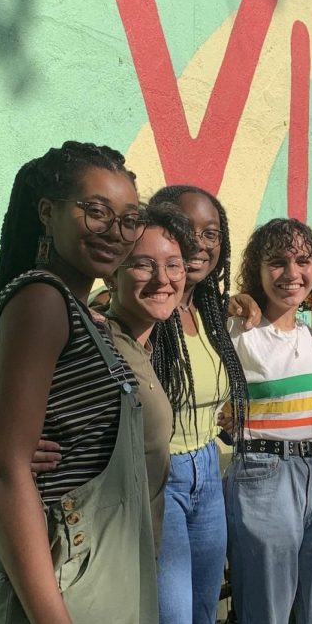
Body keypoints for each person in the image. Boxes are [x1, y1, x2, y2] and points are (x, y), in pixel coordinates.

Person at [0, 141, 158, 624]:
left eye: (130, 219)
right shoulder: (43, 300)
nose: (115, 232)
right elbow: (3, 469)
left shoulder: (84, 312)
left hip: (86, 563)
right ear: (48, 212)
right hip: (53, 572)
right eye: (96, 211)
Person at [223, 218, 312, 624]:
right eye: (277, 262)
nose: (292, 273)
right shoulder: (240, 330)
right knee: (267, 608)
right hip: (263, 473)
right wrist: (229, 301)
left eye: (303, 260)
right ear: (257, 271)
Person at [147, 185, 249, 624]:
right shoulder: (140, 307)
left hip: (208, 471)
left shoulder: (211, 312)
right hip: (159, 477)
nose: (199, 244)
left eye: (211, 233)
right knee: (172, 616)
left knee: (204, 610)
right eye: (185, 229)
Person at [101, 202, 198, 552]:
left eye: (174, 265)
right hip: (102, 560)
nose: (163, 279)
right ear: (111, 274)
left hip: (137, 552)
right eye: (143, 264)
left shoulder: (144, 347)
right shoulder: (98, 347)